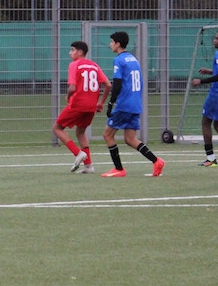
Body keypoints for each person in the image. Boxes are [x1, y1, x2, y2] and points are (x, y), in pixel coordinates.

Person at [100, 31, 164, 178]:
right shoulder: (133, 59)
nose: (110, 44)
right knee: (130, 139)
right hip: (135, 104)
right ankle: (156, 161)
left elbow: (117, 83)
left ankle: (118, 169)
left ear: (118, 44)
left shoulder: (119, 60)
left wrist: (111, 103)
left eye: (112, 42)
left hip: (125, 104)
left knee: (107, 134)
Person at [52, 41, 111, 174]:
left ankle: (78, 153)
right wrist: (101, 102)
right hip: (91, 106)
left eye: (72, 50)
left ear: (80, 52)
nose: (70, 53)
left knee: (57, 127)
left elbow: (72, 87)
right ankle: (89, 166)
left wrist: (68, 96)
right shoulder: (94, 65)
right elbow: (108, 84)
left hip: (78, 104)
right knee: (81, 132)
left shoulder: (74, 65)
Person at [190, 29, 218, 166]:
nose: (214, 40)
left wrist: (201, 81)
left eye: (217, 38)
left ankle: (211, 158)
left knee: (205, 122)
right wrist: (211, 71)